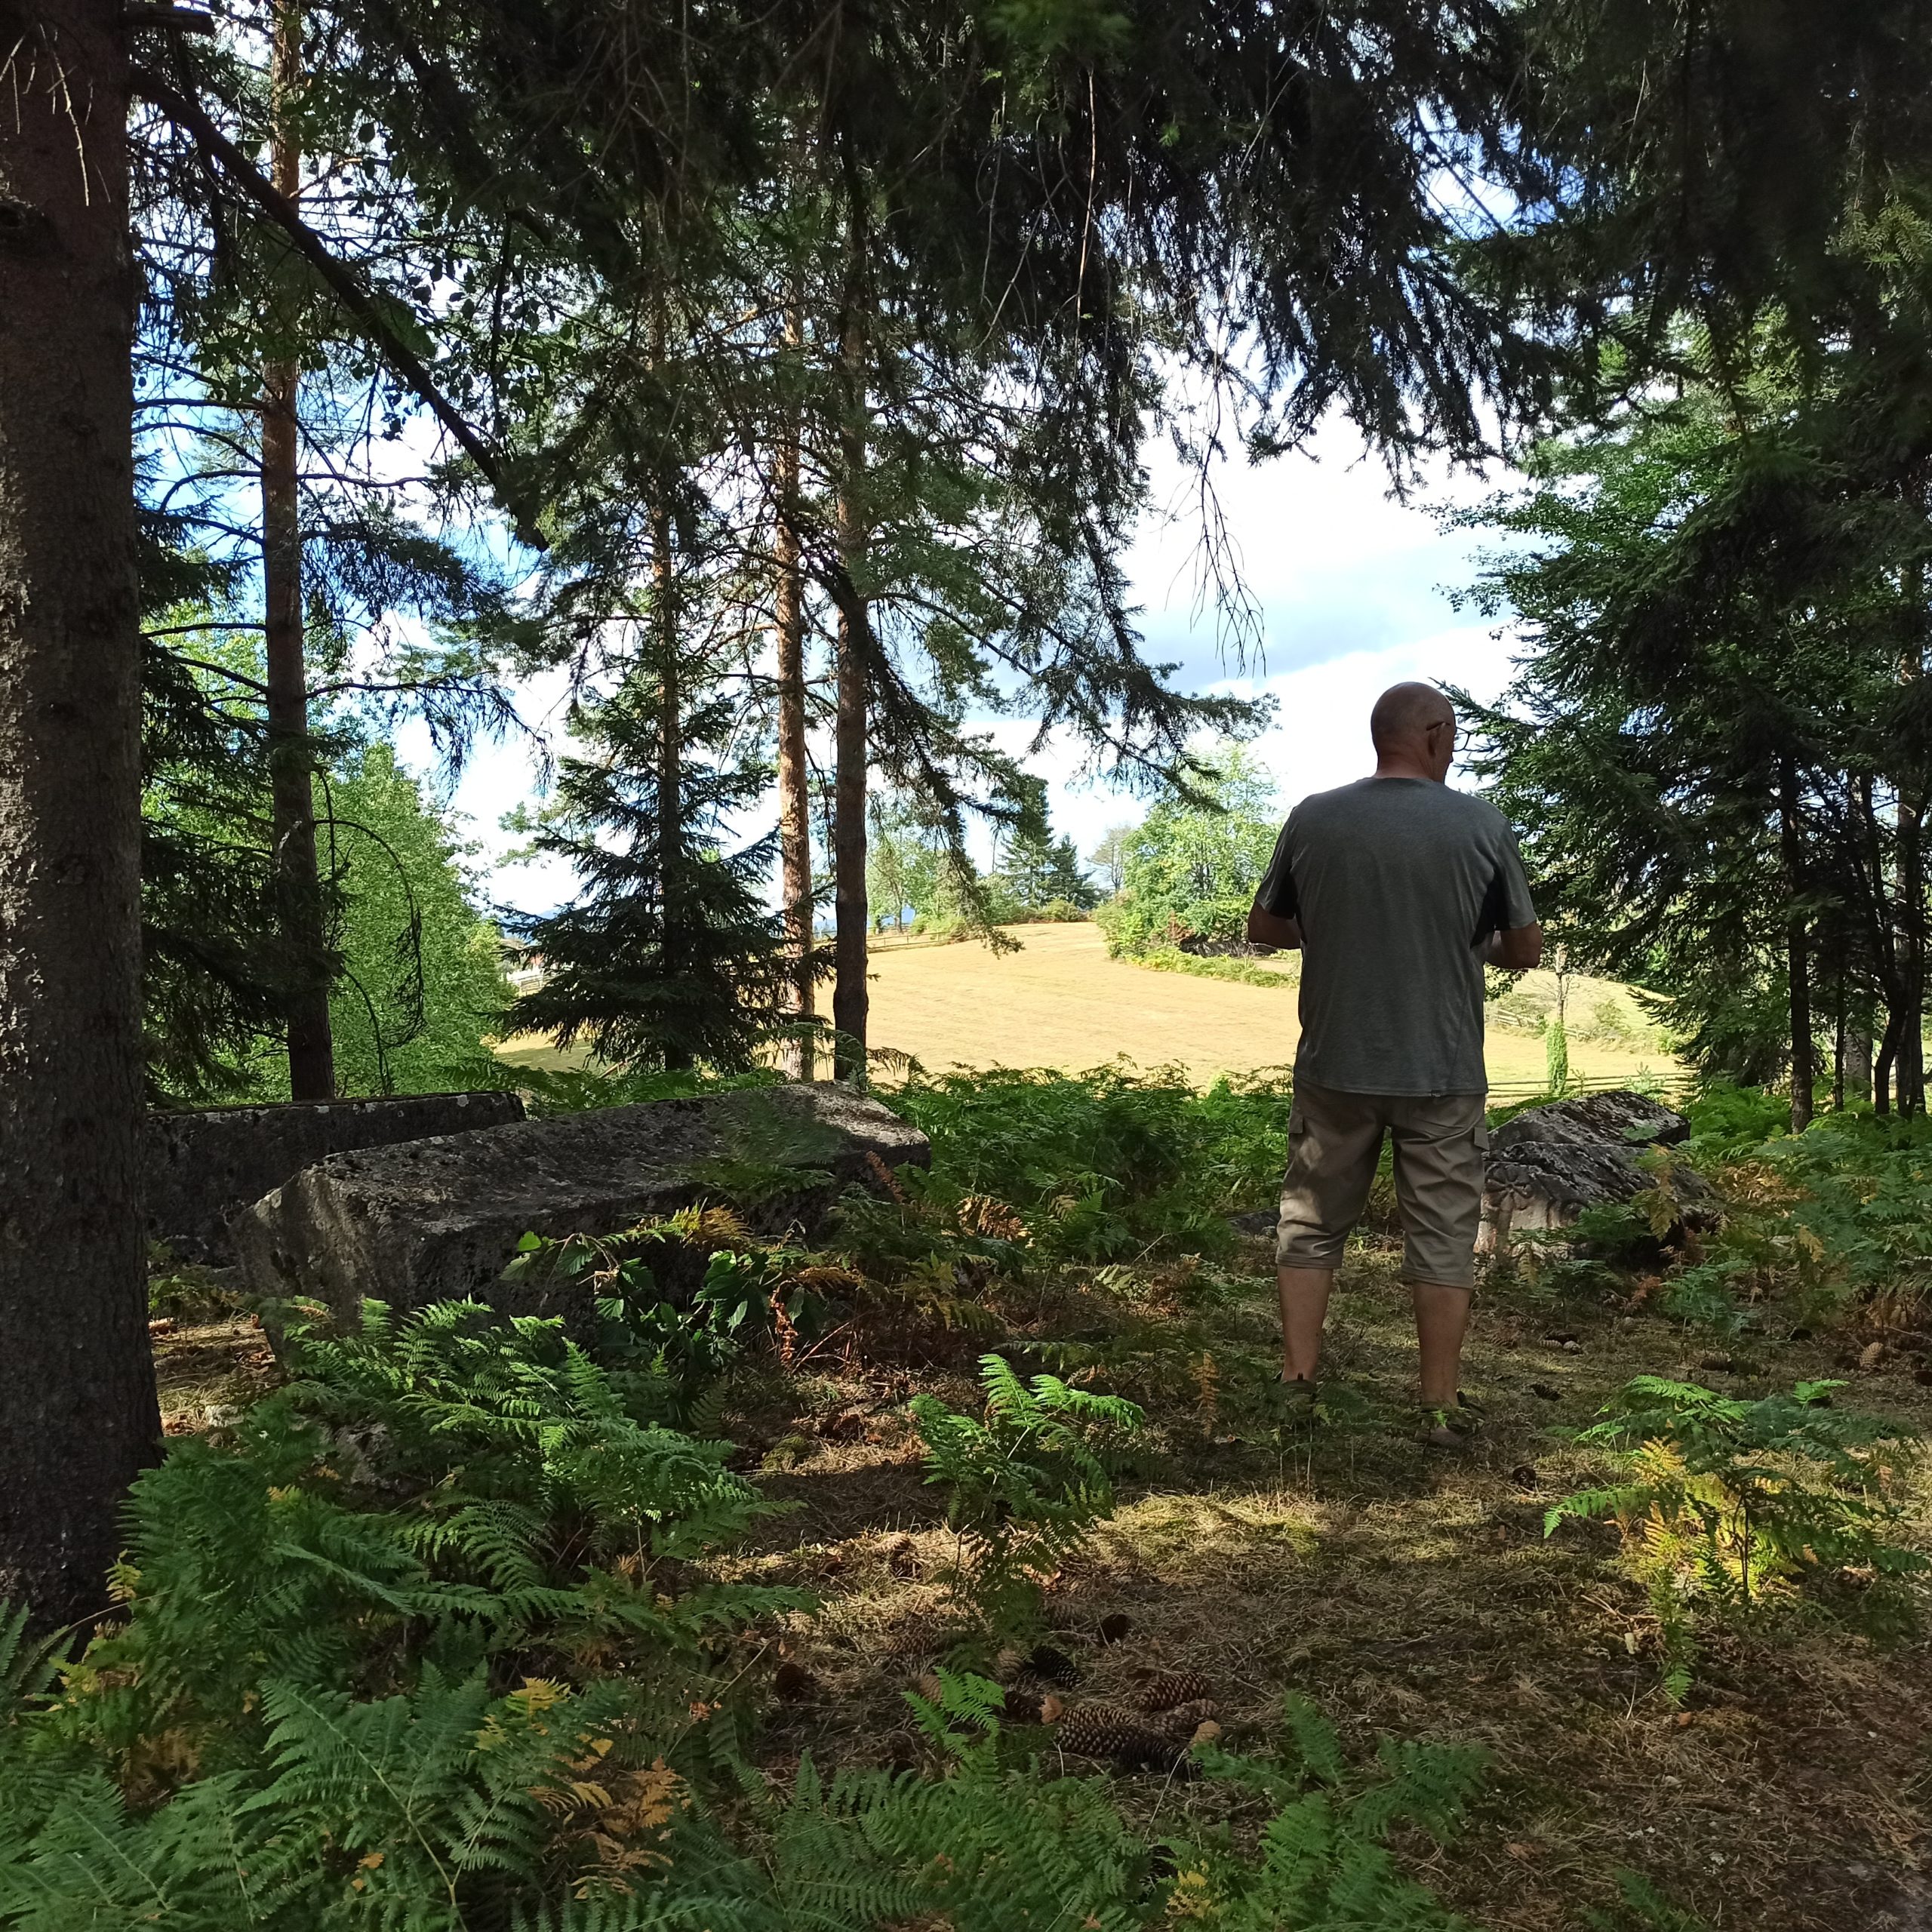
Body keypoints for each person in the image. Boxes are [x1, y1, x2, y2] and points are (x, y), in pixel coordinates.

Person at [1245, 682, 1541, 1447]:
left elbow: (1265, 926)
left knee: (1309, 1224)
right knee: (1442, 1235)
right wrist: (1468, 942)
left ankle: (1296, 1387)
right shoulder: (1481, 825)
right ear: (1435, 734)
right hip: (1442, 1068)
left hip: (1334, 1063)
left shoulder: (1313, 817)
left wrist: (1333, 928)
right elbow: (1524, 947)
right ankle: (1438, 1405)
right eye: (1454, 737)